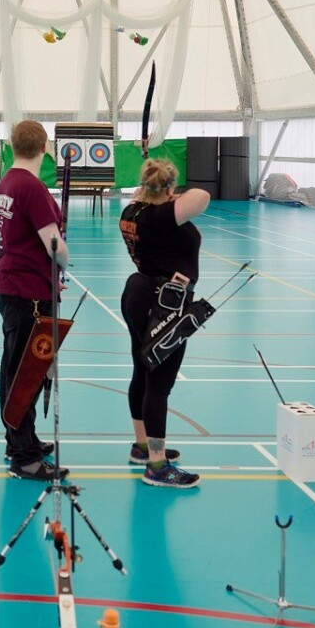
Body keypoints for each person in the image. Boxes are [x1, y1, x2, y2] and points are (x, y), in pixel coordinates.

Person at [118, 157, 210, 488]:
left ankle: (143, 446)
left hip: (138, 294)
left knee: (142, 370)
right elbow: (202, 196)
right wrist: (170, 196)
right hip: (163, 303)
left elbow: (157, 199)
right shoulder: (161, 217)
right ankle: (157, 467)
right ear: (170, 188)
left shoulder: (132, 212)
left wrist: (158, 192)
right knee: (160, 382)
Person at [0, 120, 70, 481]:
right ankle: (24, 455)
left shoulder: (8, 181)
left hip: (16, 286)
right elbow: (56, 248)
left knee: (17, 368)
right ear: (45, 148)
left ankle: (21, 439)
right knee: (25, 375)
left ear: (13, 146)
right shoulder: (32, 188)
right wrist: (62, 258)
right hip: (29, 294)